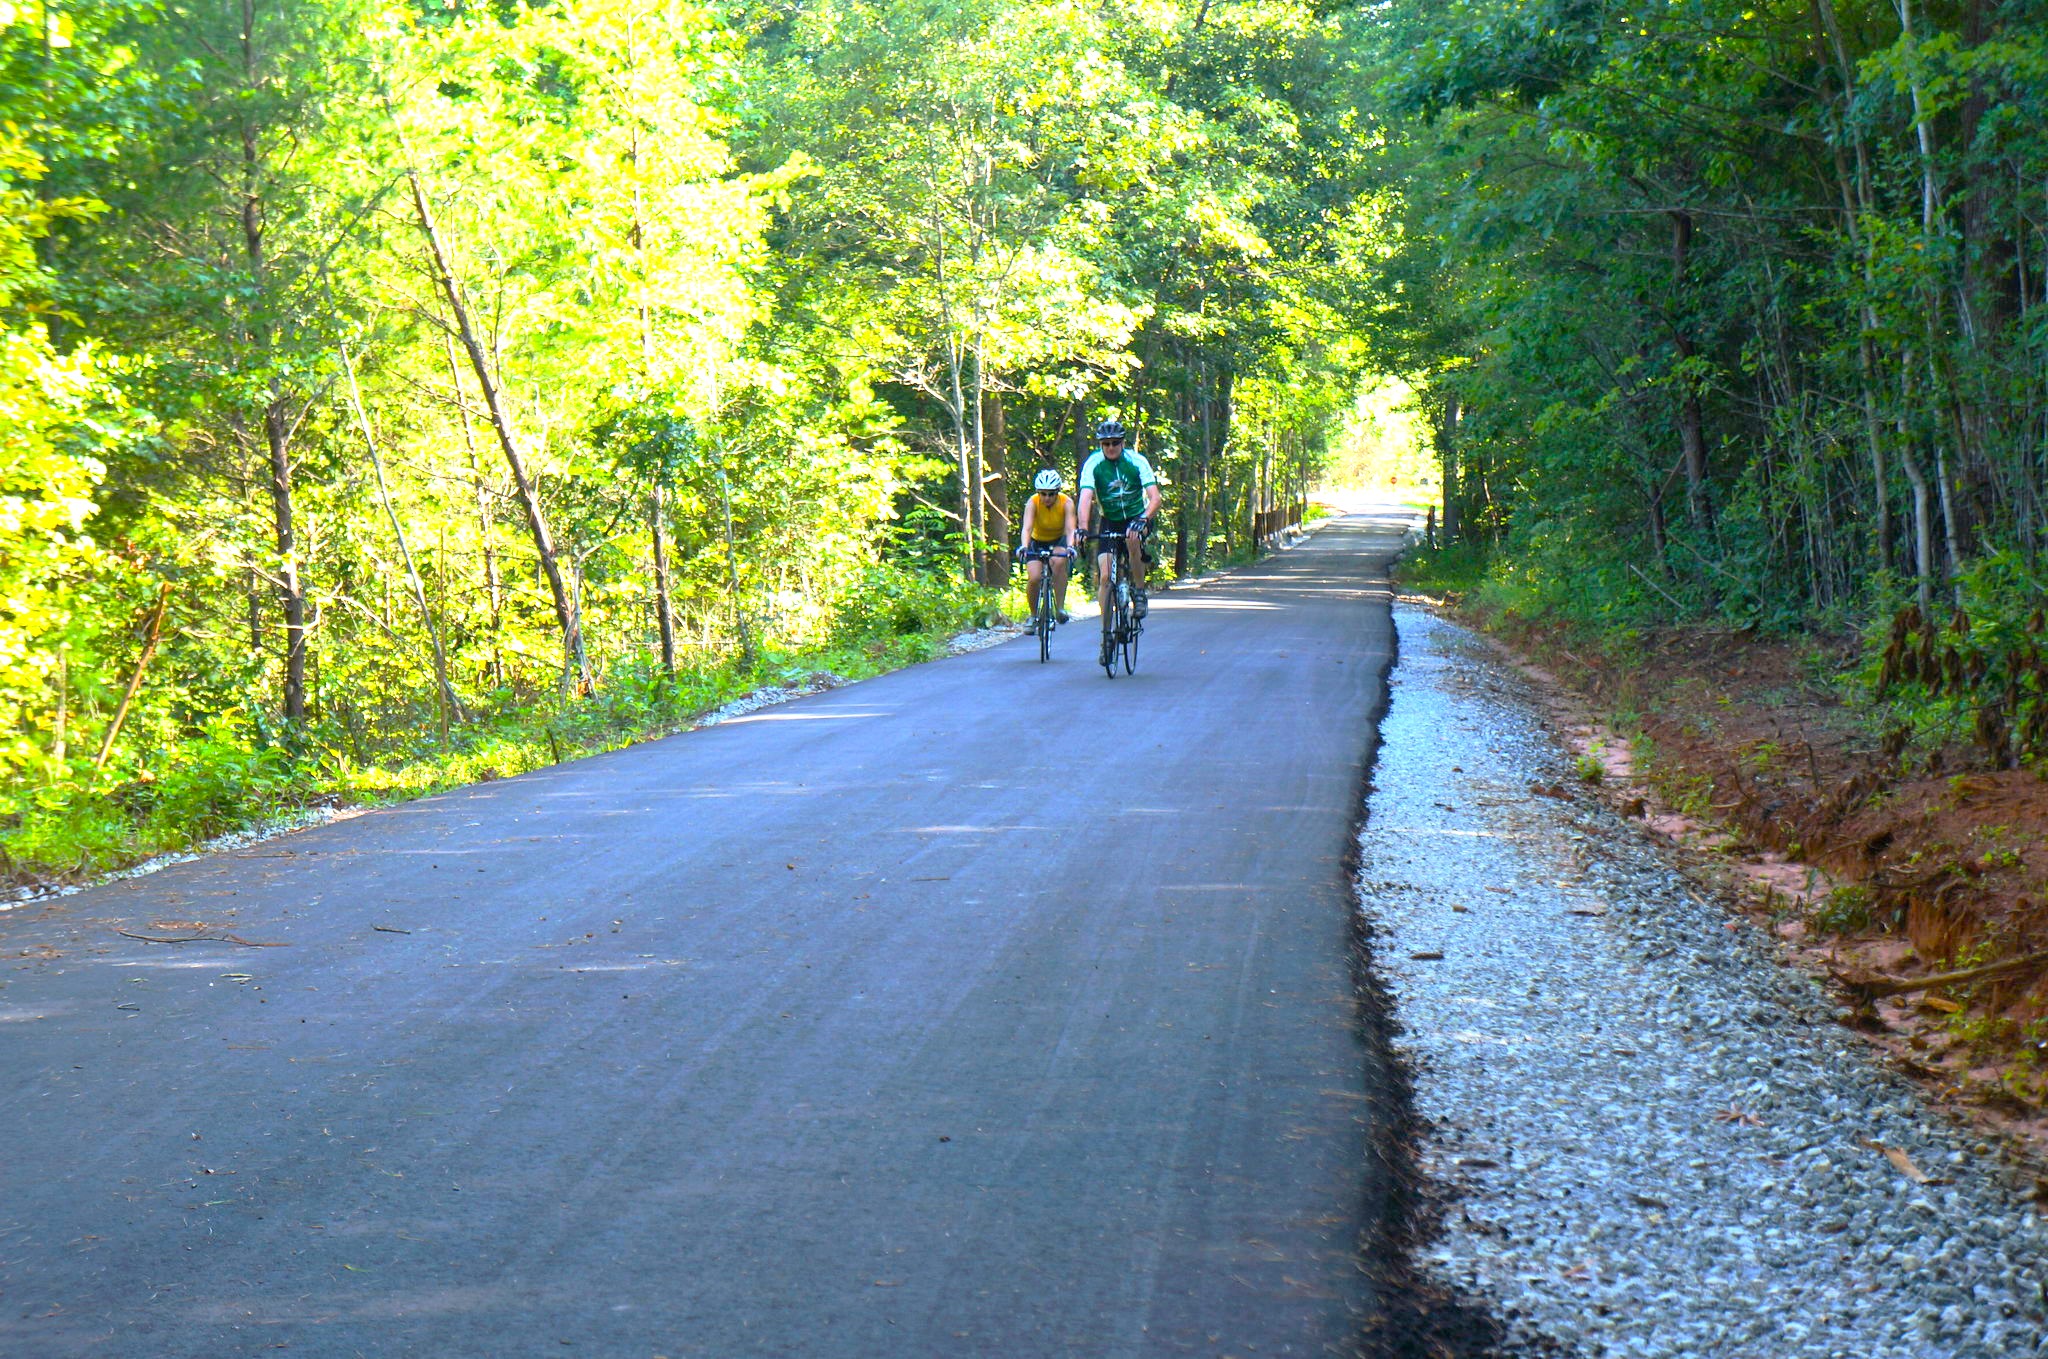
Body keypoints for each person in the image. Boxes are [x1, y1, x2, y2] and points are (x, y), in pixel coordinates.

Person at [1075, 418, 1162, 620]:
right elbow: (1086, 497)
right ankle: (1106, 636)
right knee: (1105, 576)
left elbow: (1155, 498)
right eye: (1106, 443)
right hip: (1110, 521)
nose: (1111, 447)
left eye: (1115, 442)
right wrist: (1082, 528)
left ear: (1123, 442)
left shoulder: (1137, 461)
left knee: (1133, 539)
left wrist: (1143, 520)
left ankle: (1139, 592)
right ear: (1100, 445)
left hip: (1137, 516)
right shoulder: (1093, 464)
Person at [1016, 468, 1077, 625]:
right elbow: (1027, 527)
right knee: (1034, 577)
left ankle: (1060, 608)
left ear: (1057, 492)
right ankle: (1033, 615)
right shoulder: (1033, 502)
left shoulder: (1067, 503)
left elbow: (1071, 529)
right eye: (1043, 493)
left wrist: (1070, 546)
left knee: (1058, 563)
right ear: (1038, 493)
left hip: (1058, 540)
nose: (1047, 497)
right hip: (1036, 541)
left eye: (1051, 494)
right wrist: (1024, 546)